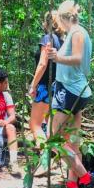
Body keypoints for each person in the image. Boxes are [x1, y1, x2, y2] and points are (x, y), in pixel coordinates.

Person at [46, 0, 94, 188]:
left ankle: (87, 179)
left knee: (53, 140)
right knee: (73, 141)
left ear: (62, 17)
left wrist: (57, 58)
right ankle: (72, 184)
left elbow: (77, 58)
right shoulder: (77, 33)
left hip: (69, 92)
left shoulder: (77, 33)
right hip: (77, 92)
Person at [28, 11, 63, 148]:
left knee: (35, 124)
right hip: (57, 87)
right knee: (50, 127)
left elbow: (43, 64)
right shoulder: (61, 40)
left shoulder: (47, 38)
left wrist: (33, 85)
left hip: (45, 87)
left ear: (47, 22)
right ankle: (52, 162)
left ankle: (44, 156)